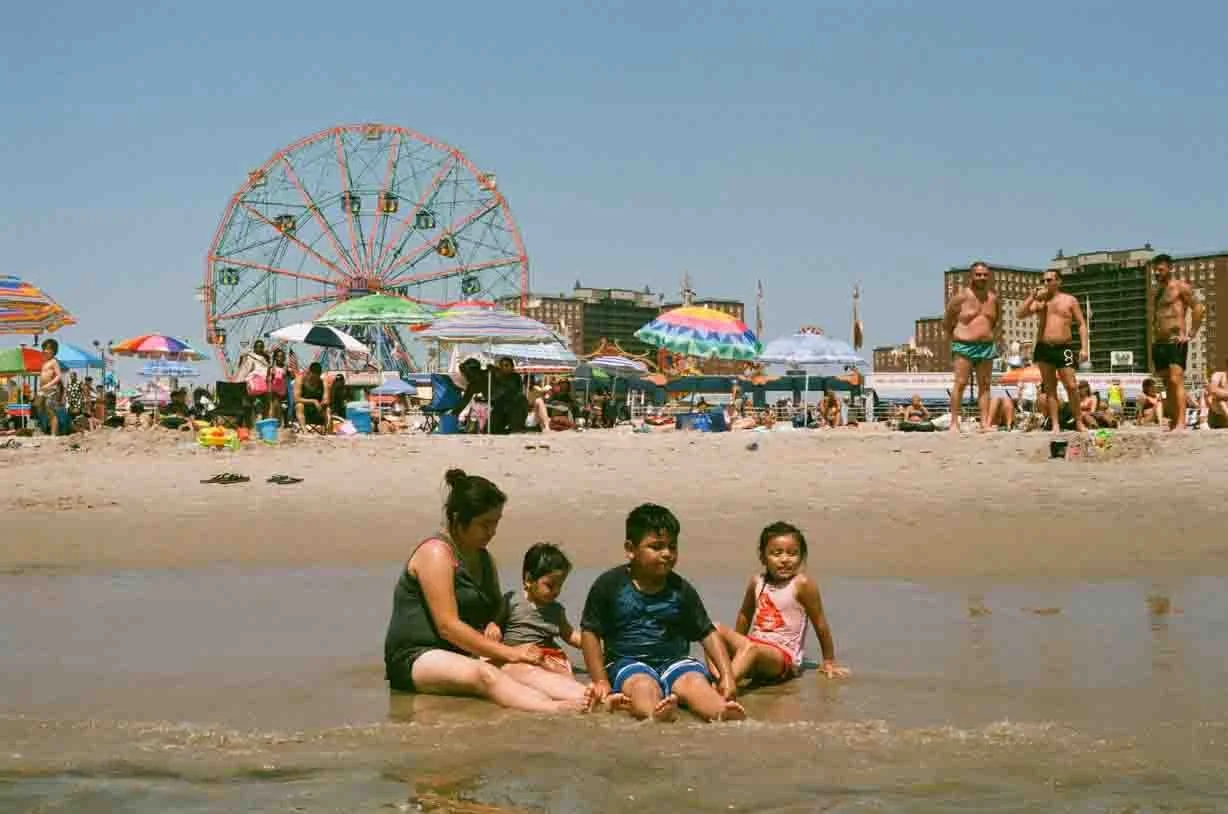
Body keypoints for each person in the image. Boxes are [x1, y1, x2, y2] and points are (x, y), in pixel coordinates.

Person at [383, 469, 587, 712]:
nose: (492, 532)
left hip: (463, 652)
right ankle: (555, 710)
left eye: (496, 523)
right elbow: (448, 627)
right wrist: (510, 652)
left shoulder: (484, 559)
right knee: (485, 674)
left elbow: (494, 616)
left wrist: (522, 650)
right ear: (458, 519)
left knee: (526, 670)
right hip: (417, 656)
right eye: (485, 524)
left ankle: (593, 697)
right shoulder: (436, 553)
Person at [580, 503, 745, 722]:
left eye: (672, 546)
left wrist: (727, 676)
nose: (667, 554)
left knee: (694, 681)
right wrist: (600, 680)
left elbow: (707, 632)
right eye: (656, 547)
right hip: (628, 662)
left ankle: (720, 710)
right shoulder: (609, 586)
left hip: (674, 661)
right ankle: (652, 712)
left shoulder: (681, 590)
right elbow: (590, 632)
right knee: (642, 685)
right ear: (630, 549)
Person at [713, 522, 848, 688]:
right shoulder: (757, 582)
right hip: (753, 647)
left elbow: (820, 622)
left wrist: (829, 660)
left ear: (802, 557)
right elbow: (744, 615)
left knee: (751, 648)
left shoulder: (802, 584)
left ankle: (723, 687)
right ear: (763, 557)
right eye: (776, 553)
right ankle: (718, 677)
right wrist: (736, 644)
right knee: (713, 630)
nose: (784, 559)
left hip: (783, 657)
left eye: (792, 553)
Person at [493, 542, 588, 703]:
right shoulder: (512, 600)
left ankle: (577, 694)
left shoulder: (556, 610)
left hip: (546, 654)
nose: (556, 591)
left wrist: (592, 644)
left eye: (560, 586)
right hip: (516, 653)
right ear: (529, 580)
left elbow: (569, 634)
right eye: (550, 585)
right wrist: (493, 626)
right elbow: (496, 621)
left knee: (562, 673)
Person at [1016, 268, 1089, 433]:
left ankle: (1079, 421)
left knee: (1071, 385)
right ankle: (1055, 424)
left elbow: (1082, 324)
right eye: (1044, 280)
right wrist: (1032, 297)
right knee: (1050, 387)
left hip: (1064, 347)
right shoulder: (1040, 302)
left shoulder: (1069, 300)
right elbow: (1020, 314)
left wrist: (1084, 348)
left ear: (1058, 281)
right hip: (1044, 347)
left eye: (1049, 280)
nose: (1046, 283)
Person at [943, 261, 1001, 432]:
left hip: (986, 346)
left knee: (985, 385)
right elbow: (946, 322)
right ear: (971, 276)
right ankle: (954, 422)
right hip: (964, 345)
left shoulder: (993, 298)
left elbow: (995, 322)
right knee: (960, 383)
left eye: (984, 275)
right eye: (978, 274)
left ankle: (984, 423)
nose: (982, 277)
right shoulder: (961, 297)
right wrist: (954, 340)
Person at [1150, 254, 1205, 432]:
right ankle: (1174, 420)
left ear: (1170, 269)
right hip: (1159, 342)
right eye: (1155, 270)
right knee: (1166, 383)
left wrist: (1191, 333)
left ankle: (1181, 422)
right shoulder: (1157, 292)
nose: (1157, 273)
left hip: (1175, 340)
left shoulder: (1180, 287)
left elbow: (1198, 307)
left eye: (1160, 269)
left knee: (1176, 380)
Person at [38, 338, 64, 436]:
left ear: (53, 351)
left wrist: (49, 384)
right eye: (44, 348)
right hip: (43, 389)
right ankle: (44, 428)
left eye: (48, 349)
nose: (45, 351)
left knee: (50, 410)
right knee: (39, 407)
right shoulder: (45, 363)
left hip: (51, 389)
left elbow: (58, 376)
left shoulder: (54, 361)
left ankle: (54, 433)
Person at [295, 362, 327, 431]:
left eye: (317, 376)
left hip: (317, 409)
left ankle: (328, 432)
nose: (315, 379)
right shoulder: (300, 380)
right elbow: (296, 398)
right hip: (305, 408)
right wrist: (313, 401)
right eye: (314, 376)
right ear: (310, 372)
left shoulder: (322, 382)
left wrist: (323, 403)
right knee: (299, 405)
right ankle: (305, 431)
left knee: (328, 409)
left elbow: (326, 399)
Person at [1207, 359, 1228, 429]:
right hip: (1218, 407)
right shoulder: (1218, 375)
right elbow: (1213, 390)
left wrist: (1222, 393)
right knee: (1220, 400)